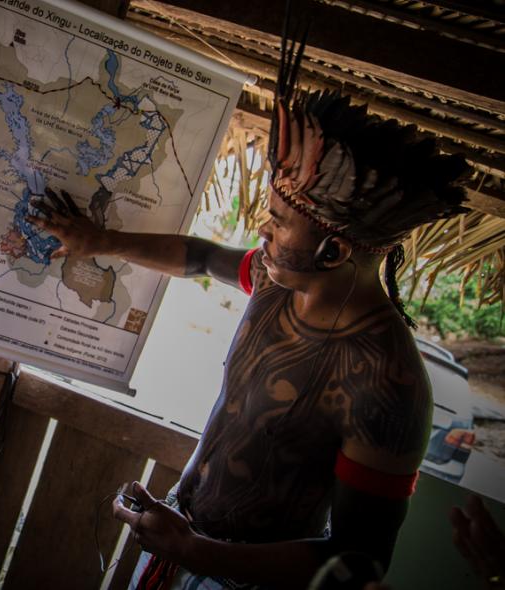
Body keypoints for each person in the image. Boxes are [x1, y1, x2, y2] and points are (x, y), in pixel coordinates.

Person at [28, 32, 469, 590]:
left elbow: (360, 562)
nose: (261, 228)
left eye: (280, 221)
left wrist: (203, 554)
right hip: (182, 540)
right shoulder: (273, 281)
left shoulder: (384, 382)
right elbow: (201, 256)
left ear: (333, 250)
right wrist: (101, 241)